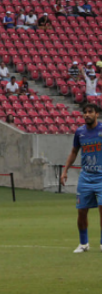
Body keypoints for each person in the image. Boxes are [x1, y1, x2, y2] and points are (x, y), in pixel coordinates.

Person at [61, 103, 102, 254]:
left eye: (90, 112)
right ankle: (83, 244)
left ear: (97, 114)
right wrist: (65, 171)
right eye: (84, 112)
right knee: (81, 211)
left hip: (101, 177)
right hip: (86, 177)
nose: (87, 115)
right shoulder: (80, 132)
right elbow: (74, 152)